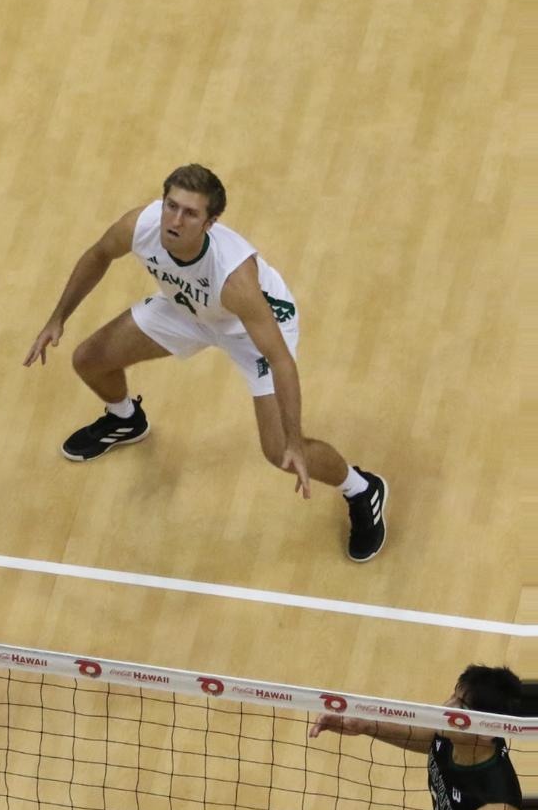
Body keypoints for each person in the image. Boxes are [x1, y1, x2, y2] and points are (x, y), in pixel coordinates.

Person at [23, 163, 390, 561]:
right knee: (89, 359)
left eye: (190, 213)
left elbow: (281, 361)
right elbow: (98, 256)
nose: (175, 220)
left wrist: (296, 441)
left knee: (279, 450)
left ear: (211, 222)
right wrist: (57, 318)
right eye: (171, 206)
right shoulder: (141, 225)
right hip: (189, 310)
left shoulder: (235, 279)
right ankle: (125, 419)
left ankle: (362, 488)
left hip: (252, 333)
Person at [310, 665, 524, 810]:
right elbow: (426, 739)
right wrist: (364, 725)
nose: (446, 708)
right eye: (453, 696)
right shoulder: (451, 737)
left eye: (460, 707)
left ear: (487, 729)